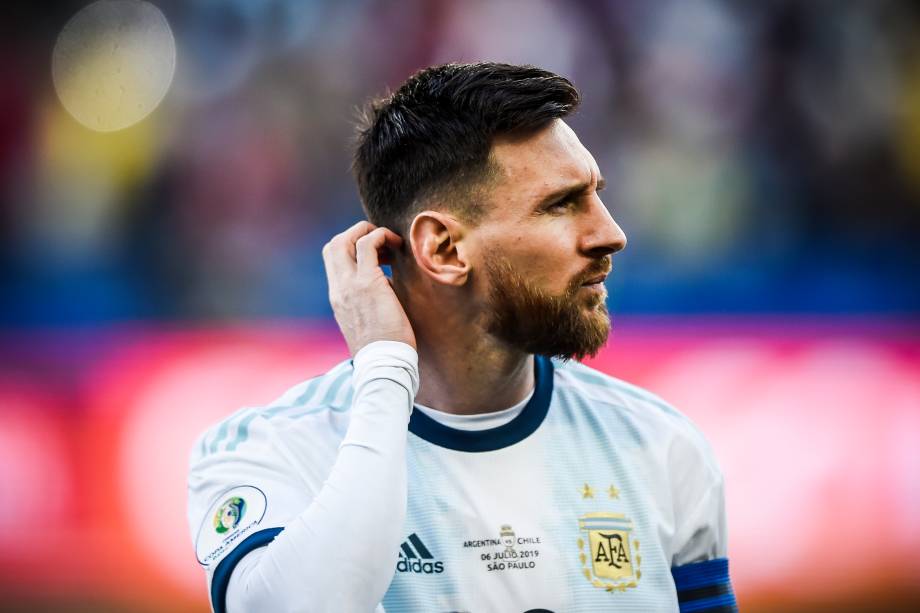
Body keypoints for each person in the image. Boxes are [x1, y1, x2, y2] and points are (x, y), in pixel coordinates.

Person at [187, 62, 738, 613]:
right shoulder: (270, 451)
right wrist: (384, 368)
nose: (610, 234)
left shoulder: (661, 446)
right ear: (444, 250)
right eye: (562, 204)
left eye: (596, 195)